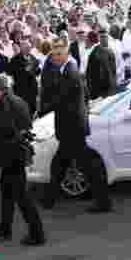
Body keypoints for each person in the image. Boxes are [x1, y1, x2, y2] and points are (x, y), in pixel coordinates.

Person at [41, 40, 112, 213]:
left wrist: (44, 109)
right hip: (71, 126)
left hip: (73, 128)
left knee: (87, 166)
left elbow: (62, 99)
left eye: (58, 54)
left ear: (66, 55)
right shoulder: (67, 70)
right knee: (60, 163)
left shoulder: (70, 72)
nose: (55, 58)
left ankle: (103, 202)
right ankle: (49, 198)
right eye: (53, 55)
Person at [0, 74, 46, 246]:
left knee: (22, 196)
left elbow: (2, 131)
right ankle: (5, 227)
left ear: (0, 89)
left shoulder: (5, 104)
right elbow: (26, 125)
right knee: (6, 188)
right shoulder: (20, 101)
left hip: (12, 154)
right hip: (18, 152)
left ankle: (37, 233)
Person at [10, 39, 41, 118]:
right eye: (26, 48)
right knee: (22, 112)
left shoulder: (33, 57)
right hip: (21, 90)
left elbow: (37, 71)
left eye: (29, 47)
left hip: (32, 90)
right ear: (21, 48)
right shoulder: (15, 60)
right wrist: (26, 70)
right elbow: (12, 73)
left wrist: (37, 68)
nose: (28, 49)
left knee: (32, 111)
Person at [85, 29, 117, 100]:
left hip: (111, 87)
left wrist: (114, 84)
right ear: (99, 38)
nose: (103, 39)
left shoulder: (111, 51)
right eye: (101, 37)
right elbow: (89, 73)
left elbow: (113, 70)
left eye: (105, 37)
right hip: (99, 90)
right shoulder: (94, 53)